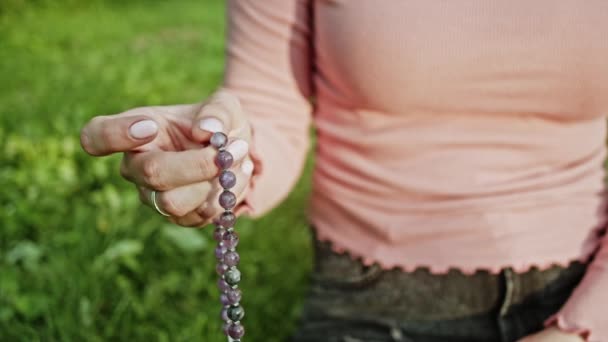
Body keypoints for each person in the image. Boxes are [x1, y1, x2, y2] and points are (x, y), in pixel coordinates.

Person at [80, 1, 608, 341]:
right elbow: (269, 100)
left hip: (585, 288)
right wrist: (224, 157)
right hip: (370, 290)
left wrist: (585, 328)